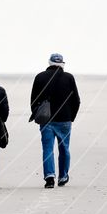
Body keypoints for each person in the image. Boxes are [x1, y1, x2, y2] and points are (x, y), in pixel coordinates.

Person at [30, 53, 81, 189]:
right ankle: (63, 176)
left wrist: (37, 114)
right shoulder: (69, 78)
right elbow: (76, 100)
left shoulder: (40, 77)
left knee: (47, 149)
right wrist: (71, 117)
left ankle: (50, 178)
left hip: (46, 119)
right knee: (64, 148)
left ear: (49, 63)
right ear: (62, 63)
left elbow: (33, 100)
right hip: (65, 119)